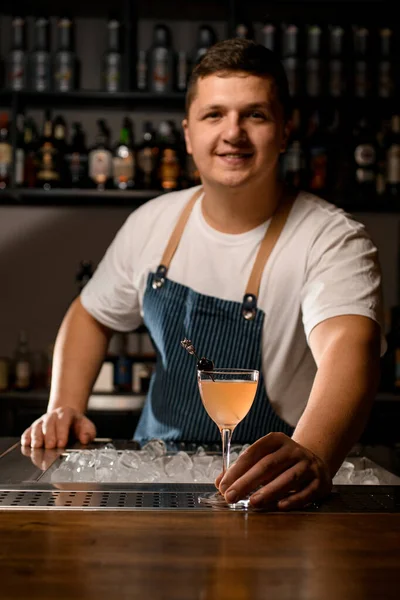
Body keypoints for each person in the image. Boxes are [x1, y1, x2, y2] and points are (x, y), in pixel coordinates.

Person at [21, 39, 384, 511]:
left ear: (285, 131)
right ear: (189, 134)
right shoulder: (154, 221)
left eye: (255, 115)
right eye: (214, 115)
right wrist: (64, 405)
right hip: (155, 480)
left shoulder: (333, 238)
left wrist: (313, 452)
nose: (232, 133)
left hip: (273, 485)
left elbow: (348, 347)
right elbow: (90, 314)